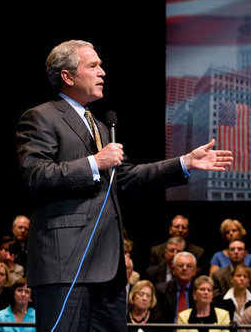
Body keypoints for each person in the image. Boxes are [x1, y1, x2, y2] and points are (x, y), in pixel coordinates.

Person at [15, 39, 233, 332]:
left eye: (101, 65)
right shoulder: (41, 117)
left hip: (109, 269)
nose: (102, 72)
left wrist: (184, 162)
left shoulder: (101, 126)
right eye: (93, 66)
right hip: (65, 264)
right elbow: (36, 176)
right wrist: (95, 162)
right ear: (67, 76)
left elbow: (127, 177)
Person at [155, 252, 198, 323]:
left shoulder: (199, 291)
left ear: (194, 271)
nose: (184, 268)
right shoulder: (161, 290)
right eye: (180, 265)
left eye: (188, 266)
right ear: (173, 269)